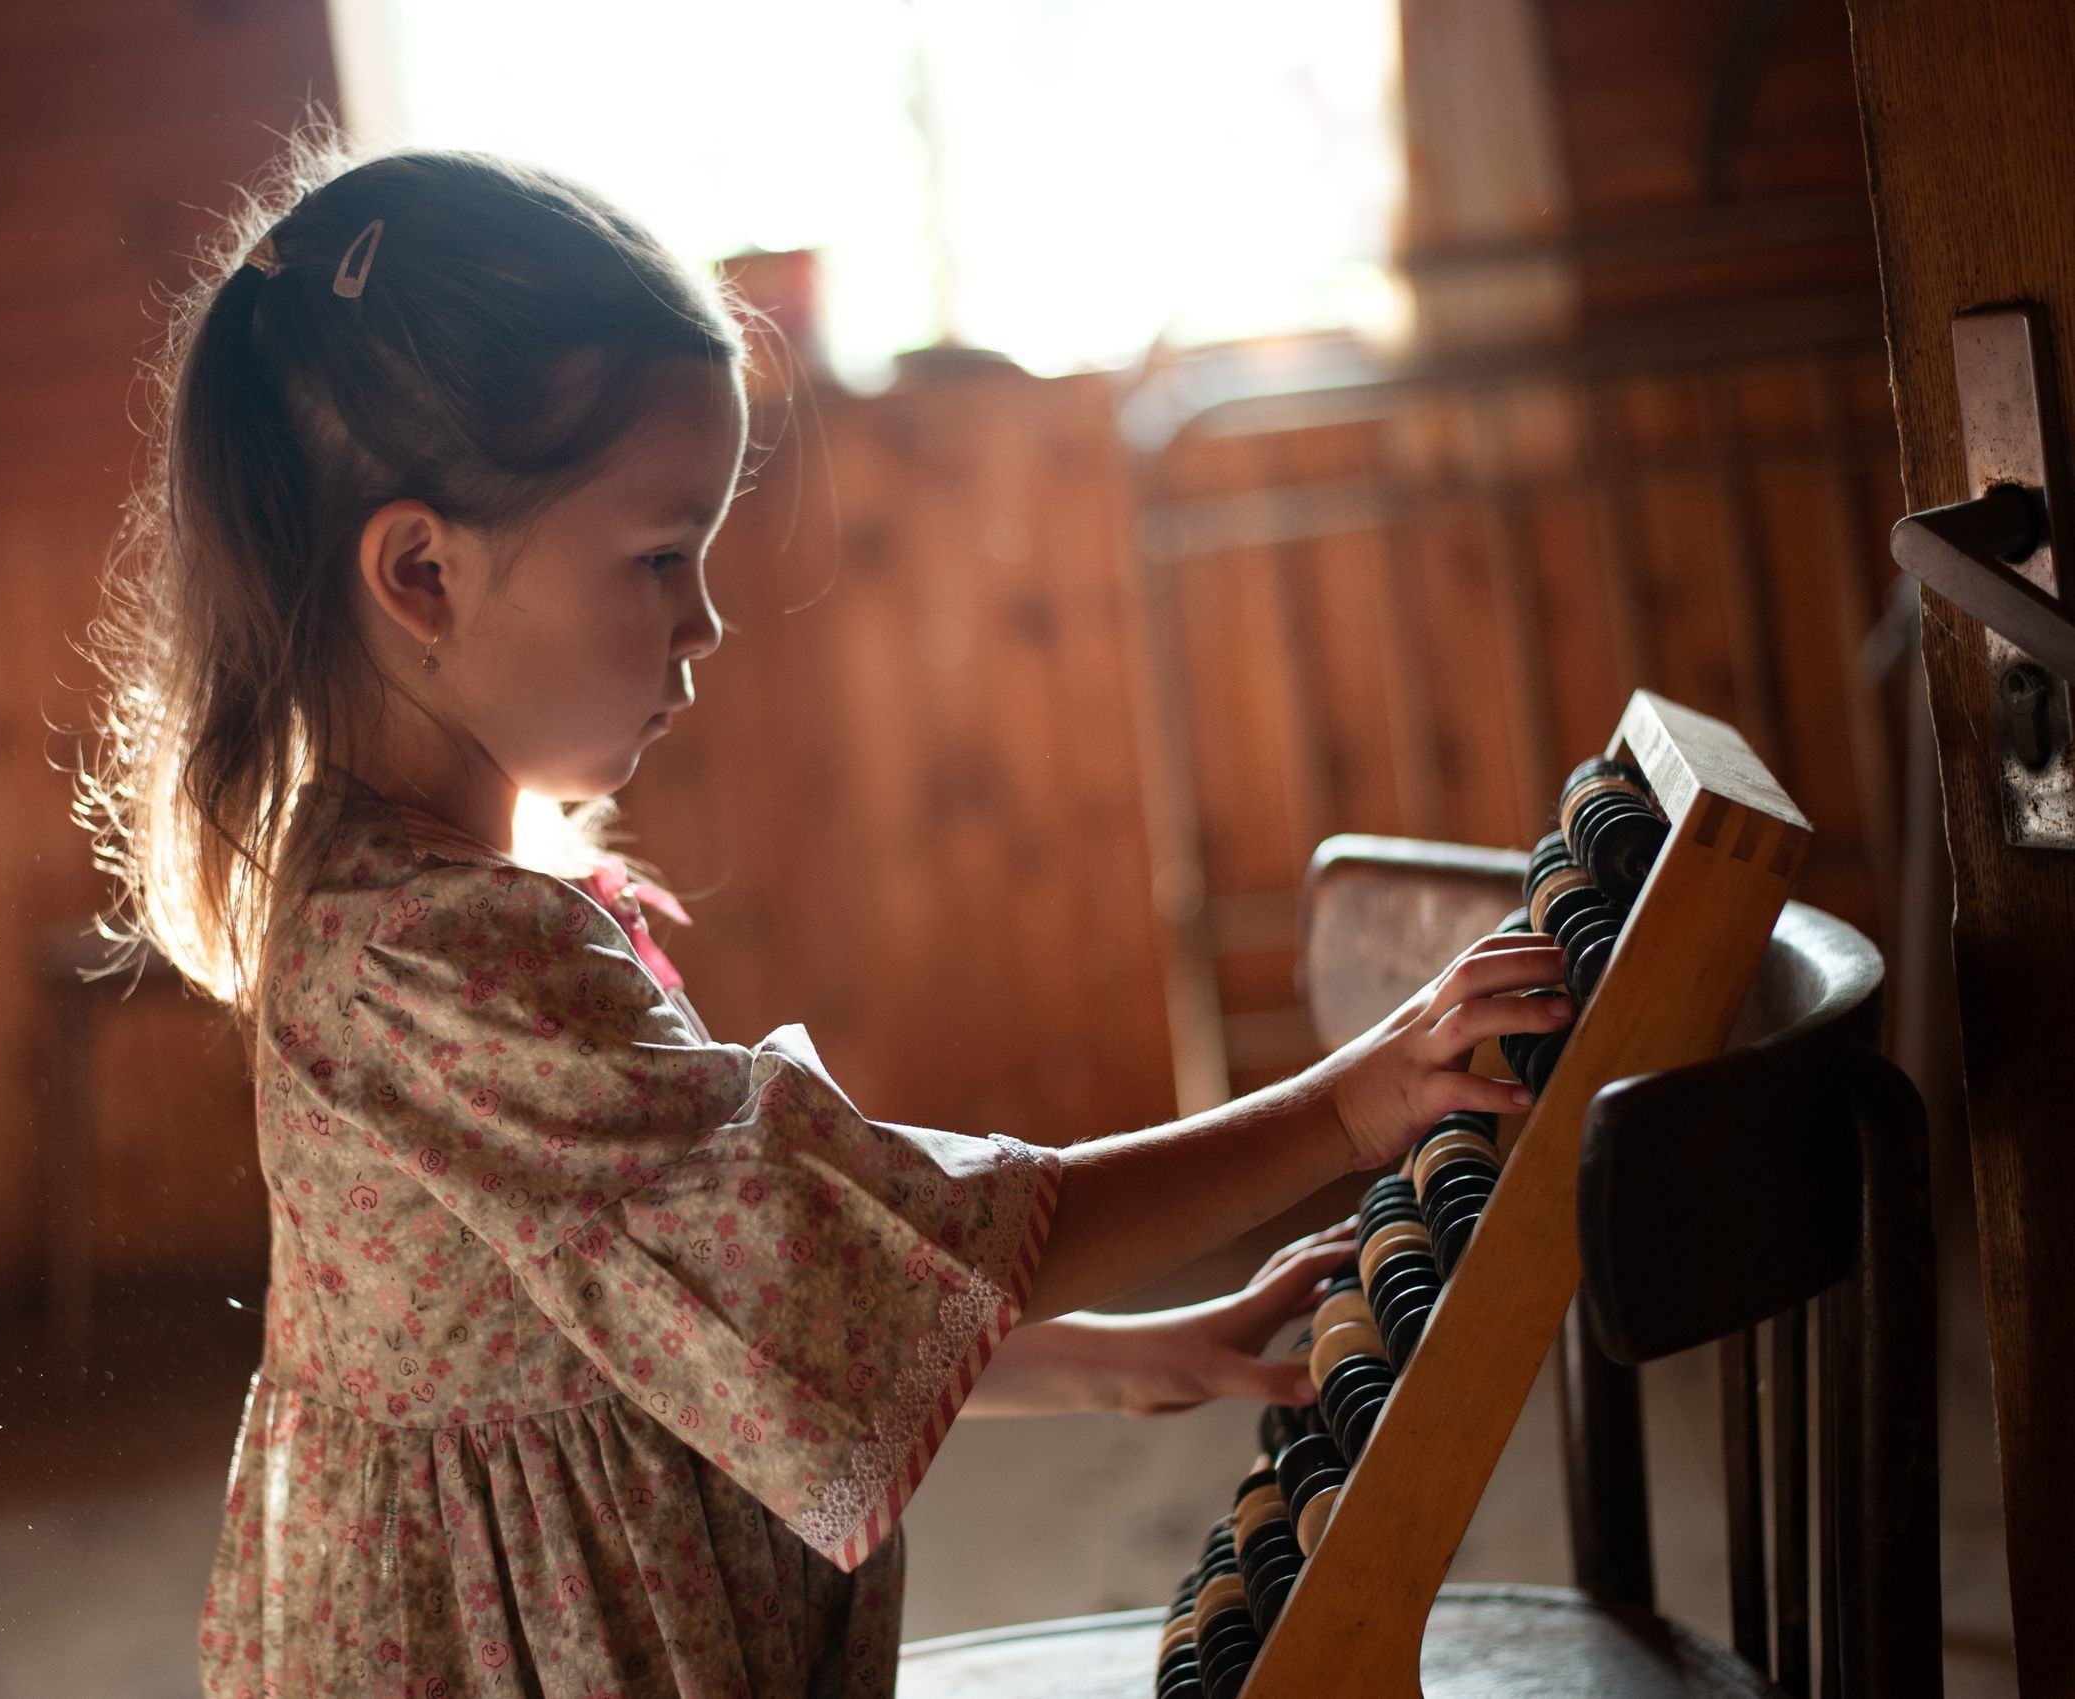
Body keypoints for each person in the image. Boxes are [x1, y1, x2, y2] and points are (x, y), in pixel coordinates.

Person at [81, 128, 1572, 1699]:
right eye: (659, 556)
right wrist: (1344, 1106)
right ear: (423, 576)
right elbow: (825, 1242)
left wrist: (1110, 1364)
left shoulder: (428, 902)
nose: (704, 620)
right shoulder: (428, 961)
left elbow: (685, 1307)